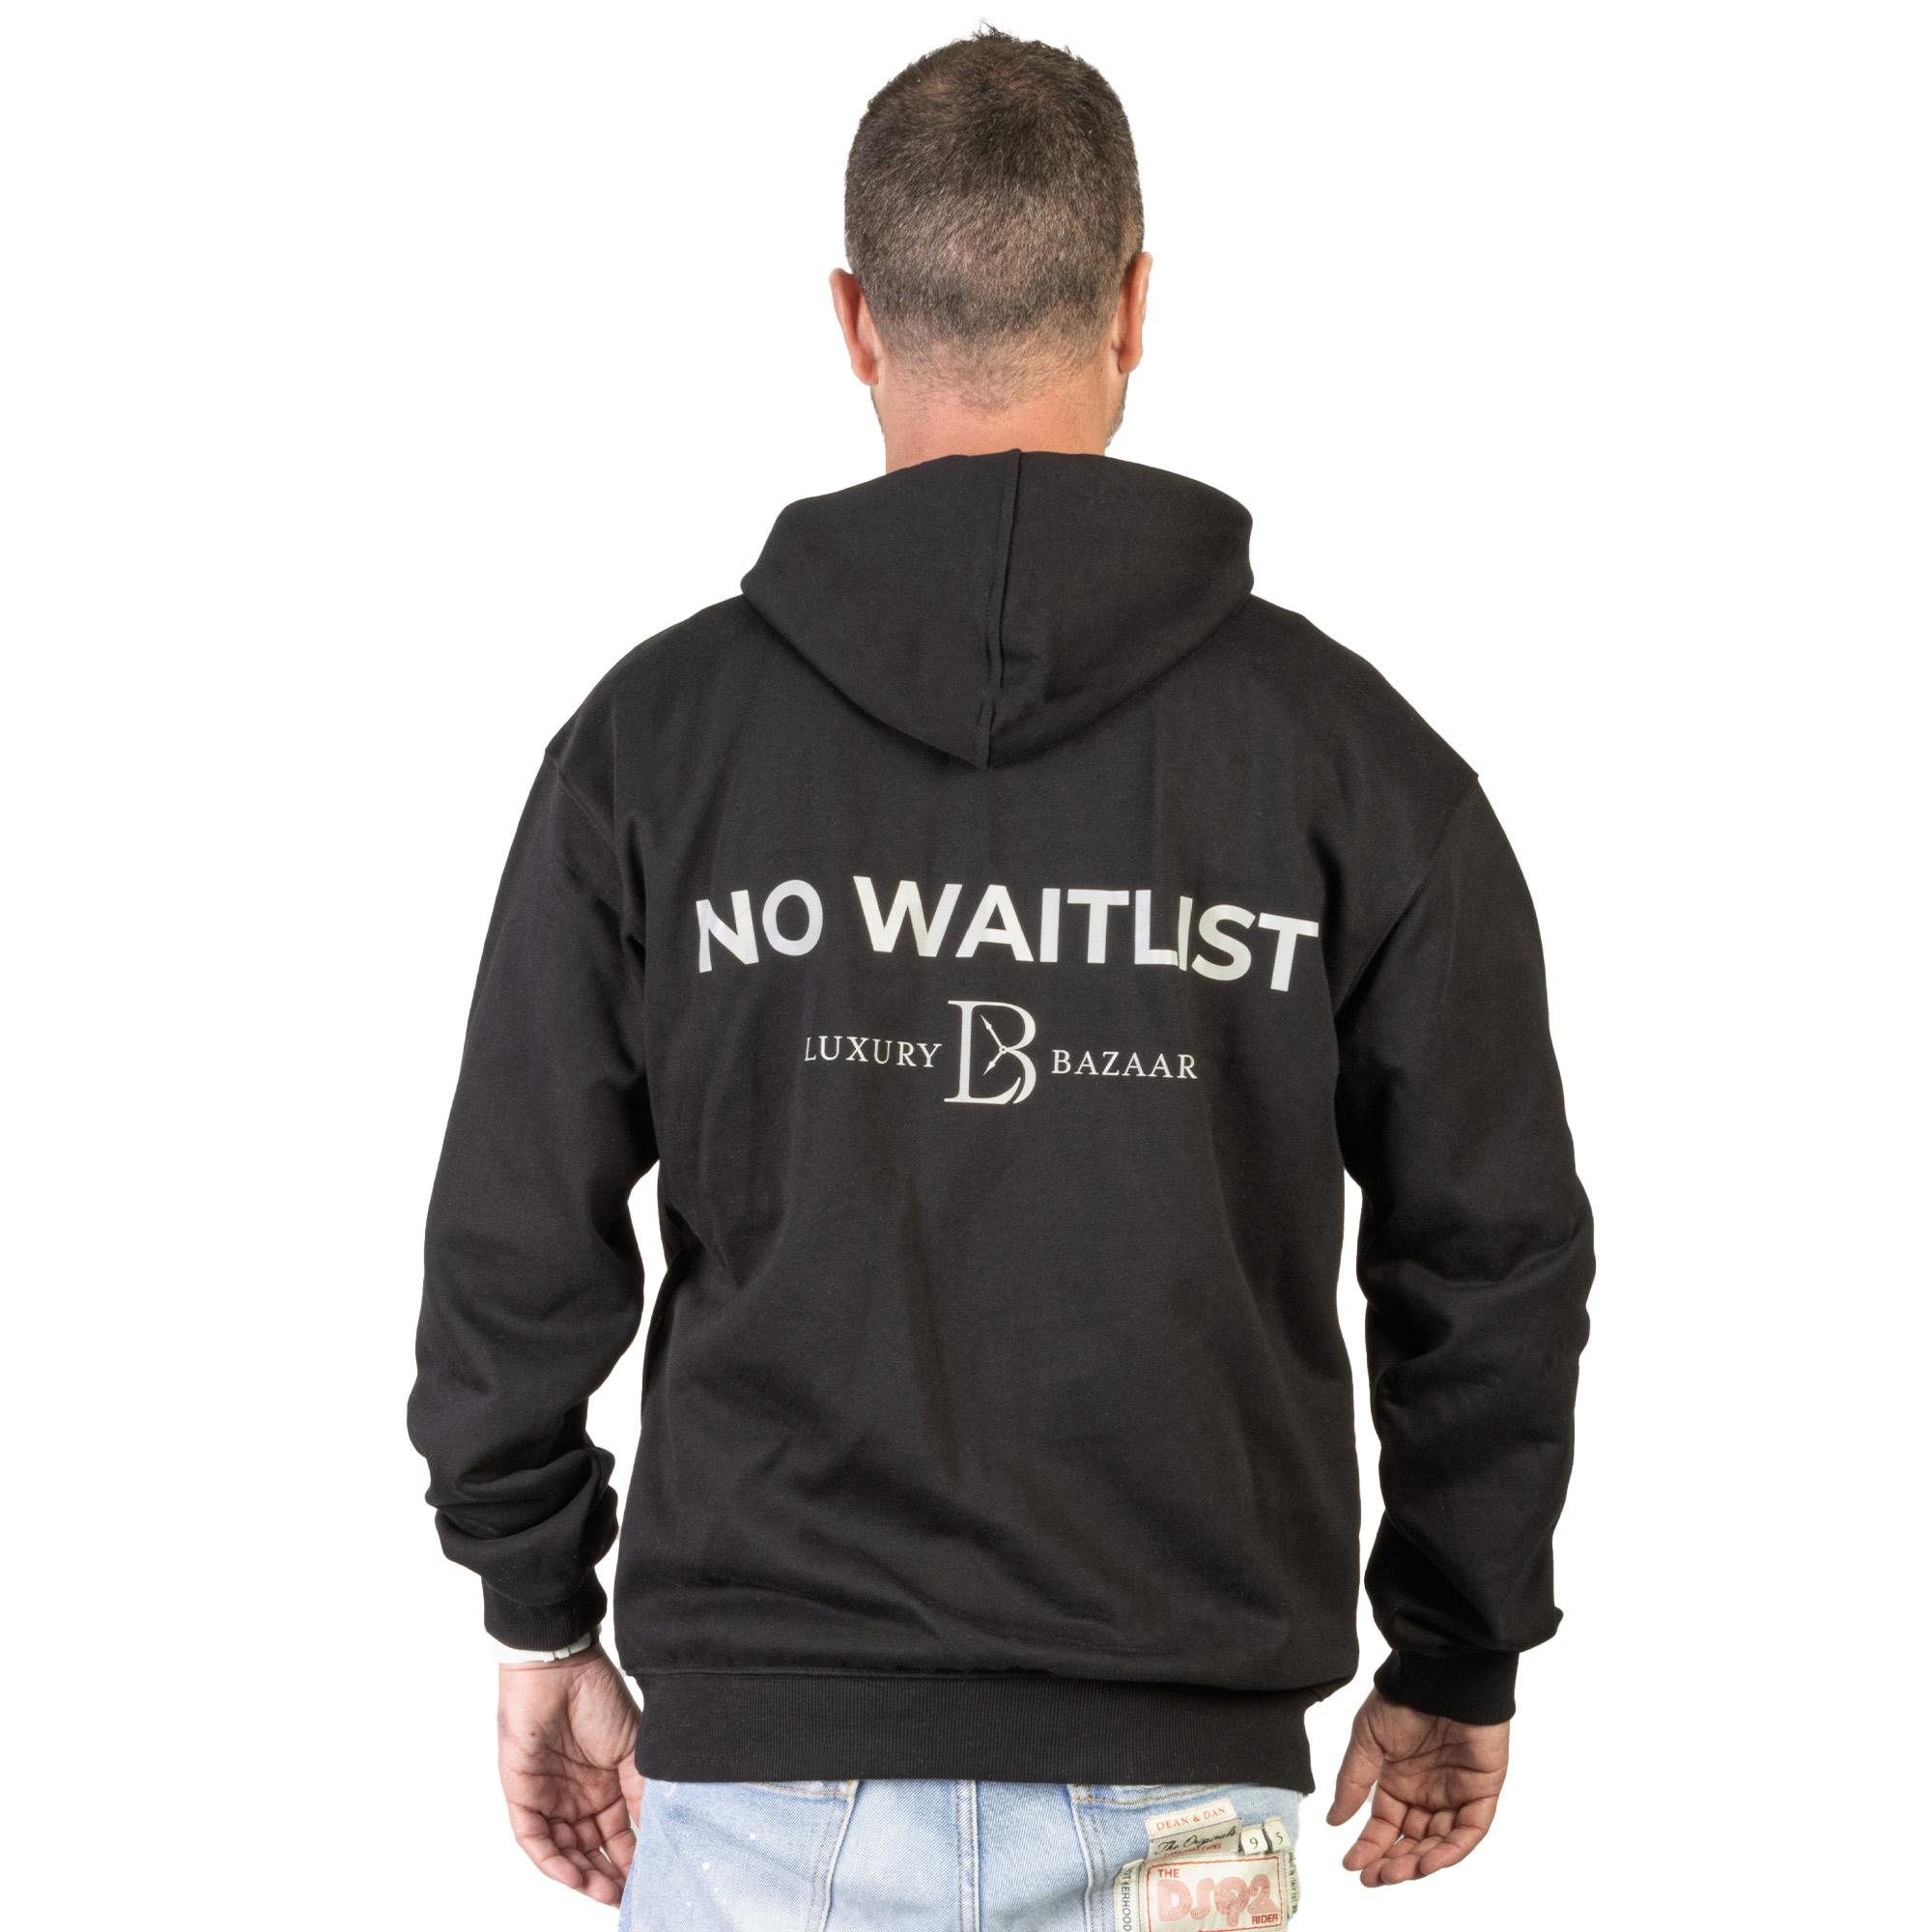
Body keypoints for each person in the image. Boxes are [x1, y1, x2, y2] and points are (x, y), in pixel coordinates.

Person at [409, 27, 1593, 1926]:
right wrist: (1459, 1642)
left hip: (763, 1783)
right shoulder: (1349, 763)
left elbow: (512, 1232)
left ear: (853, 321)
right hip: (1182, 1791)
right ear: (1133, 306)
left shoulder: (656, 746)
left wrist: (537, 1606)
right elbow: (1493, 1250)